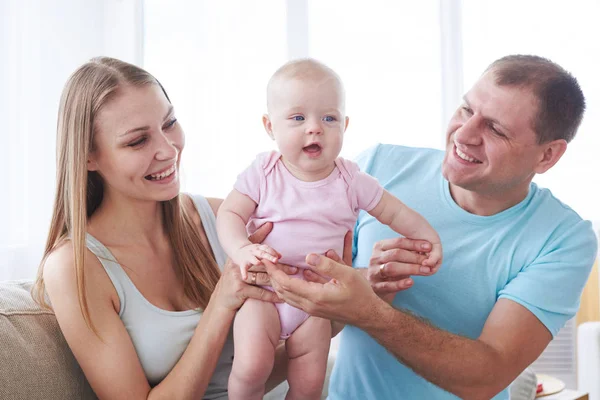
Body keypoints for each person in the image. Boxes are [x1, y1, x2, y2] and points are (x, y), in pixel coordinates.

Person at [264, 54, 599, 400]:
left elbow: (487, 376)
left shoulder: (563, 239)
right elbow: (319, 304)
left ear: (547, 155)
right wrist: (364, 284)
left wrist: (370, 310)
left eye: (496, 129)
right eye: (467, 110)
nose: (464, 135)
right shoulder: (376, 166)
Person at [31, 57, 299, 399]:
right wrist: (221, 303)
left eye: (169, 123)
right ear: (88, 156)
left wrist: (343, 305)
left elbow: (263, 369)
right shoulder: (75, 268)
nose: (167, 149)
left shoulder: (224, 219)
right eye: (137, 141)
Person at [216, 59, 442, 399]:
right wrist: (241, 249)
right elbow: (230, 214)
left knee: (308, 385)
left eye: (328, 118)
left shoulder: (351, 179)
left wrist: (427, 237)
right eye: (297, 118)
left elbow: (394, 211)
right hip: (264, 295)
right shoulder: (264, 171)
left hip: (315, 302)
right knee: (251, 369)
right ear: (269, 126)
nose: (314, 128)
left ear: (345, 125)